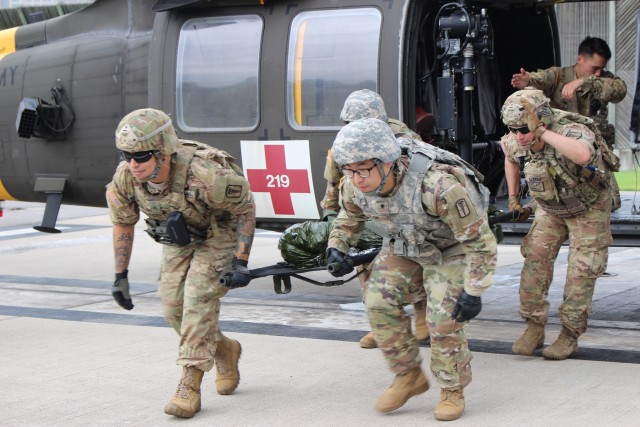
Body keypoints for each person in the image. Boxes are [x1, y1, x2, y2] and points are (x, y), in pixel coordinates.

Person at [326, 118, 497, 420]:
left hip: (449, 250)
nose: (356, 178)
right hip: (404, 247)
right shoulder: (355, 187)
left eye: (363, 169)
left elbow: (480, 242)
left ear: (388, 162)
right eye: (349, 170)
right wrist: (337, 246)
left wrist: (474, 290)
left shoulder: (437, 187)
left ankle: (451, 390)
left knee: (443, 320)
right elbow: (348, 218)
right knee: (378, 302)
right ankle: (408, 376)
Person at [105, 108, 256, 419]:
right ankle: (225, 350)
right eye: (127, 155)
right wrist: (121, 275)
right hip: (180, 235)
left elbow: (245, 208)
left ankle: (190, 382)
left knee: (198, 297)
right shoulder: (126, 177)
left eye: (142, 156)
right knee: (173, 308)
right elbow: (123, 222)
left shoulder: (205, 175)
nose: (133, 164)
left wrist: (240, 260)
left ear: (163, 152)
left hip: (219, 230)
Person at [501, 88, 615, 360]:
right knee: (535, 259)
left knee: (581, 271)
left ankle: (569, 334)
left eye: (522, 129)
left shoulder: (572, 130)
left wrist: (541, 133)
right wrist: (514, 197)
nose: (519, 136)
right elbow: (509, 155)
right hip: (552, 207)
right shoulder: (518, 137)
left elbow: (583, 155)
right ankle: (534, 326)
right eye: (513, 129)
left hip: (588, 206)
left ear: (541, 119)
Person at [320, 88, 429, 349]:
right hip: (365, 211)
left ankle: (423, 315)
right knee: (366, 268)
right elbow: (337, 181)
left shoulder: (403, 138)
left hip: (402, 212)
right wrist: (329, 213)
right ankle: (386, 327)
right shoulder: (343, 144)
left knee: (416, 263)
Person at [511, 36, 627, 210]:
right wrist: (528, 81)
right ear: (580, 59)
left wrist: (584, 81)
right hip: (562, 150)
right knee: (558, 197)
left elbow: (620, 89)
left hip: (592, 150)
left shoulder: (602, 79)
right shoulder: (558, 76)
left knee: (610, 203)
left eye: (601, 69)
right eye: (594, 68)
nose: (598, 73)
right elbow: (541, 78)